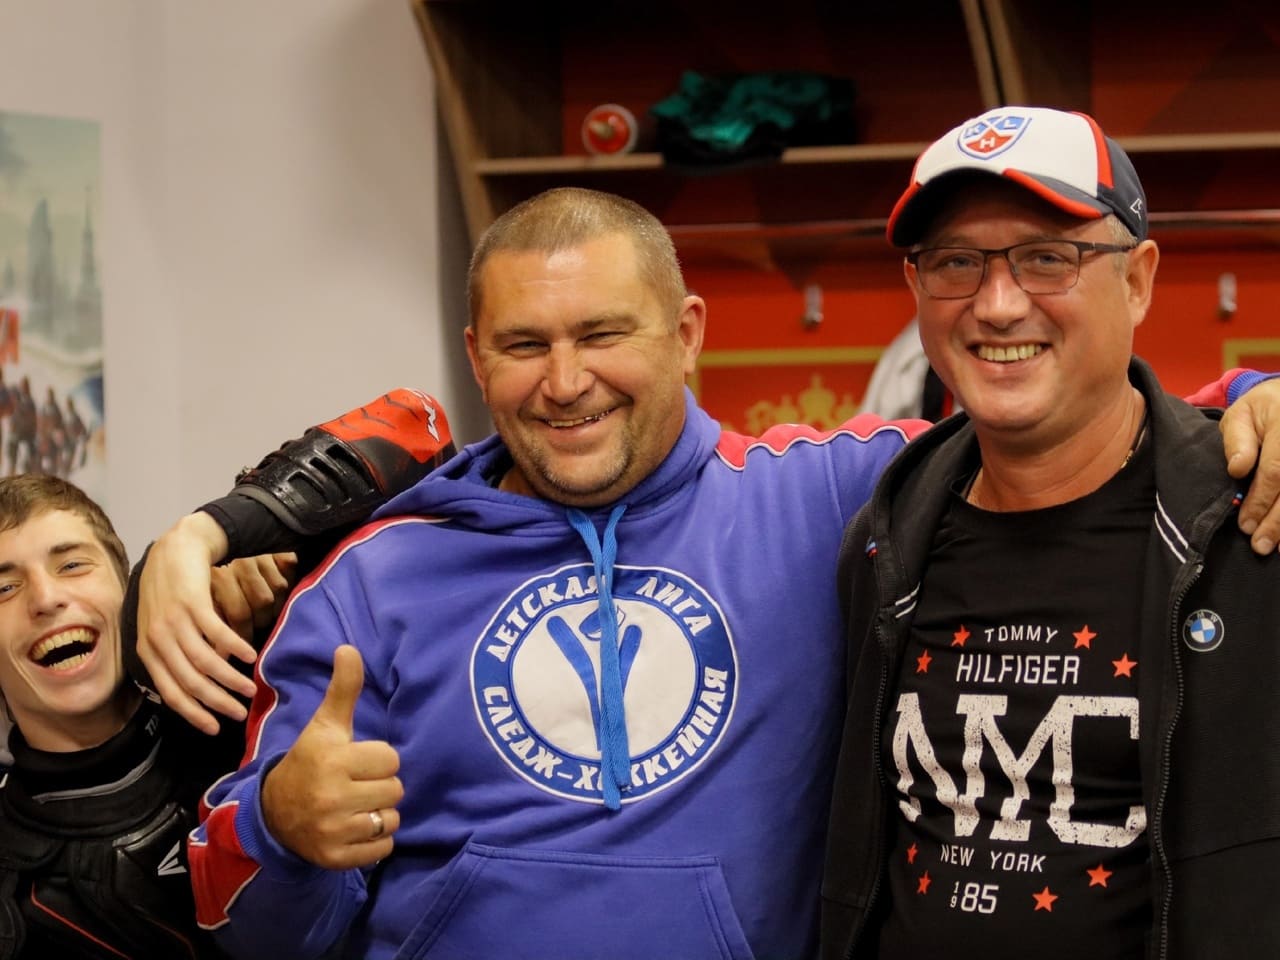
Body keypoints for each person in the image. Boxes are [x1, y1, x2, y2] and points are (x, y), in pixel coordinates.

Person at [173, 187, 1280, 960]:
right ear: (476, 355)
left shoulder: (832, 494)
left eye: (604, 334)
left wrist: (1253, 399)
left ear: (687, 332)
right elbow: (246, 929)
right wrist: (281, 829)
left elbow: (1076, 415)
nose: (566, 382)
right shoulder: (370, 579)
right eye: (524, 345)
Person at [821, 106, 1280, 960]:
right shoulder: (881, 535)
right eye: (956, 262)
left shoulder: (1253, 518)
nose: (997, 305)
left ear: (1137, 280)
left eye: (1047, 258)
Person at [0, 475, 293, 958]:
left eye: (72, 565)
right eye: (5, 588)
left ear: (130, 588)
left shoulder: (257, 696)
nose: (46, 599)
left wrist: (228, 539)